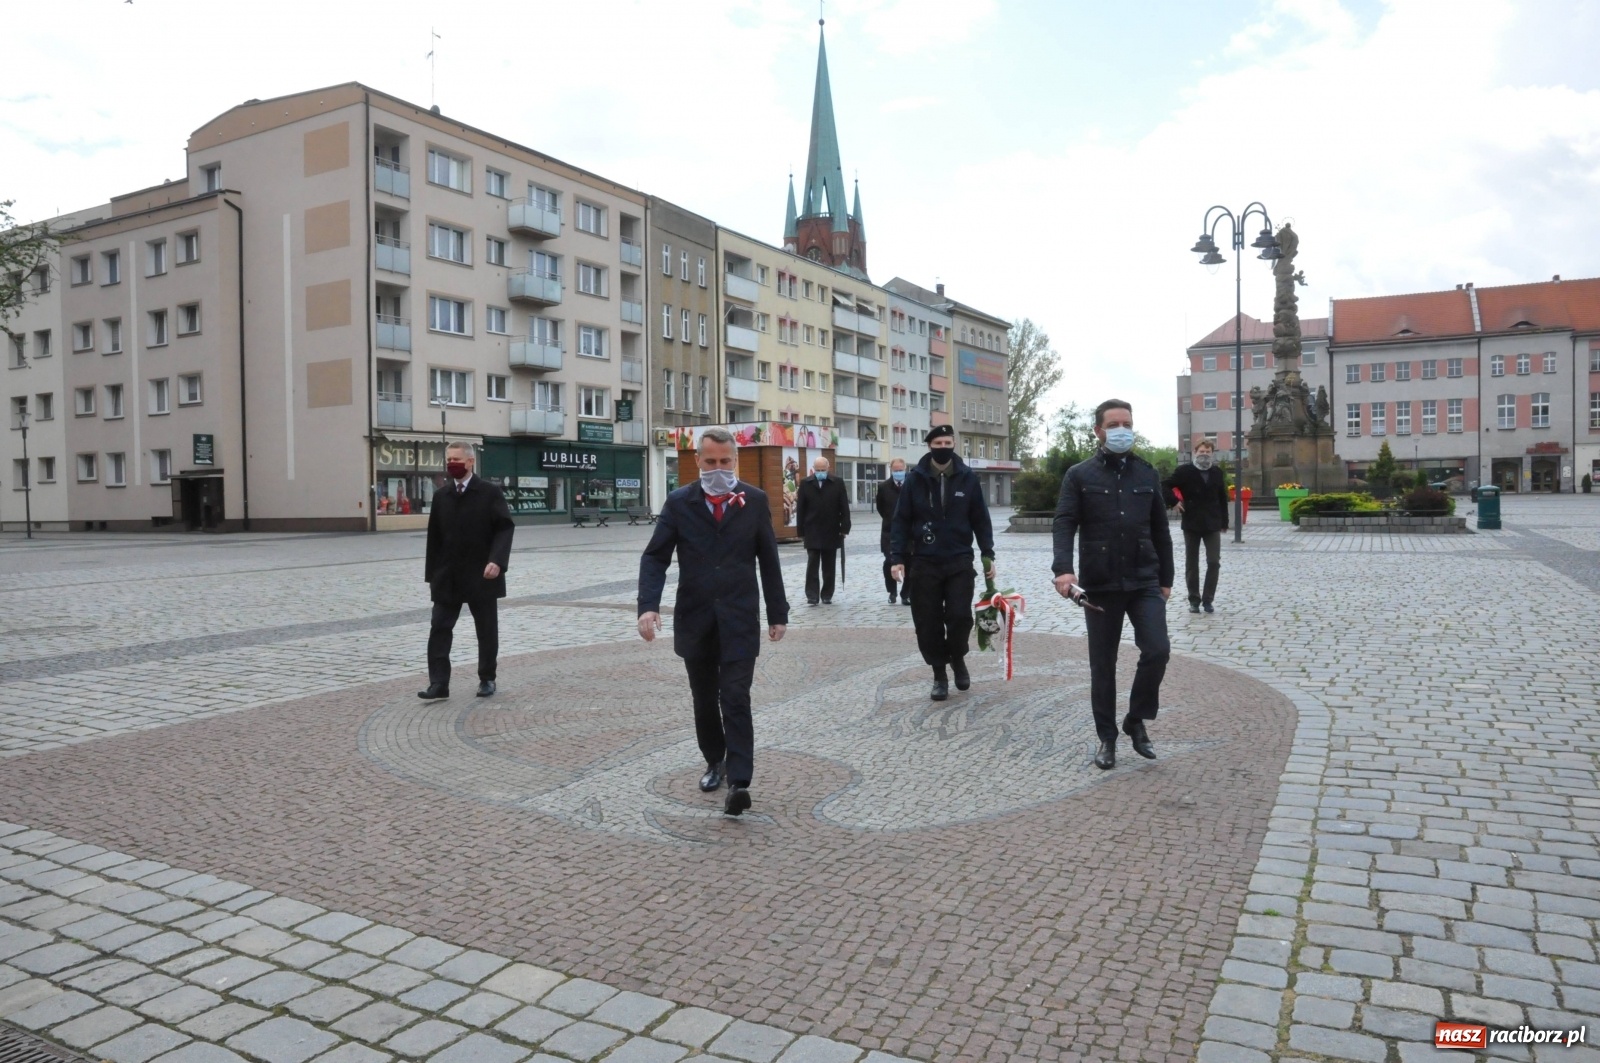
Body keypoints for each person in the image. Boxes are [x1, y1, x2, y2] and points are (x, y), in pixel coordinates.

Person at [637, 427, 789, 817]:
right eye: (711, 462)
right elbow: (655, 557)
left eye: (725, 462)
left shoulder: (753, 501)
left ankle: (739, 781)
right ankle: (714, 761)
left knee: (735, 696)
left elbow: (769, 560)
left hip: (739, 617)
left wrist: (778, 613)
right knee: (705, 699)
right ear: (697, 462)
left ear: (735, 461)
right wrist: (647, 606)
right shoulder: (679, 502)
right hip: (696, 618)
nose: (718, 468)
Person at [1051, 399, 1174, 770]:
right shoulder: (1079, 475)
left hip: (1144, 580)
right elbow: (1064, 522)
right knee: (1102, 665)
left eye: (1128, 423)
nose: (1123, 429)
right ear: (1099, 431)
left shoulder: (1147, 473)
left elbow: (1161, 530)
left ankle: (1136, 720)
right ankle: (1107, 738)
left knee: (1157, 650)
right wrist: (1063, 570)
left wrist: (1166, 578)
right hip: (1100, 583)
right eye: (1115, 423)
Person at [888, 425, 995, 701]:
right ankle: (939, 673)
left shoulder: (967, 478)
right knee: (928, 621)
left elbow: (980, 518)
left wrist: (988, 554)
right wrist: (897, 558)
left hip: (959, 559)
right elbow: (900, 520)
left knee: (960, 617)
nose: (943, 446)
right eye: (938, 442)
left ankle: (957, 657)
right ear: (930, 446)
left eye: (948, 441)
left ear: (954, 444)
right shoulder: (915, 480)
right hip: (924, 561)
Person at [420, 442, 515, 700]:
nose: (452, 463)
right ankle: (439, 683)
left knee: (485, 630)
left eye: (457, 459)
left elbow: (505, 528)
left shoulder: (489, 493)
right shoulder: (441, 496)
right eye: (449, 459)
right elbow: (434, 540)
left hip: (482, 574)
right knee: (439, 628)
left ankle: (487, 678)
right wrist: (432, 576)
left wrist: (497, 560)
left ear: (471, 462)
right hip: (447, 577)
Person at [1162, 439, 1229, 613]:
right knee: (1192, 563)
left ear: (1212, 454)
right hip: (1192, 522)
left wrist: (1224, 521)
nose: (1204, 454)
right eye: (1201, 451)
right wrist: (1174, 502)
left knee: (1214, 562)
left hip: (1212, 523)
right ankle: (1194, 599)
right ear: (1195, 452)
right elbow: (1164, 485)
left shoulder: (1216, 472)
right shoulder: (1184, 471)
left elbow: (1223, 497)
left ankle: (1208, 599)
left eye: (1208, 452)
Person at [795, 456, 851, 605]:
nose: (820, 472)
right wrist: (800, 531)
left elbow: (844, 507)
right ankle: (812, 595)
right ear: (813, 469)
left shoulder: (837, 483)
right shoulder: (806, 483)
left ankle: (827, 594)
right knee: (812, 563)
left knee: (829, 564)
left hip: (831, 528)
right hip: (812, 528)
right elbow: (800, 508)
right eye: (817, 470)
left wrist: (845, 528)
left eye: (823, 470)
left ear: (828, 469)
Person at [875, 458, 909, 605]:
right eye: (896, 470)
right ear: (891, 470)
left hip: (909, 532)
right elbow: (880, 507)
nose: (898, 473)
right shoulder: (883, 487)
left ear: (905, 469)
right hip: (889, 531)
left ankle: (906, 594)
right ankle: (892, 592)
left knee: (910, 563)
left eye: (901, 470)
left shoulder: (911, 484)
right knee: (890, 562)